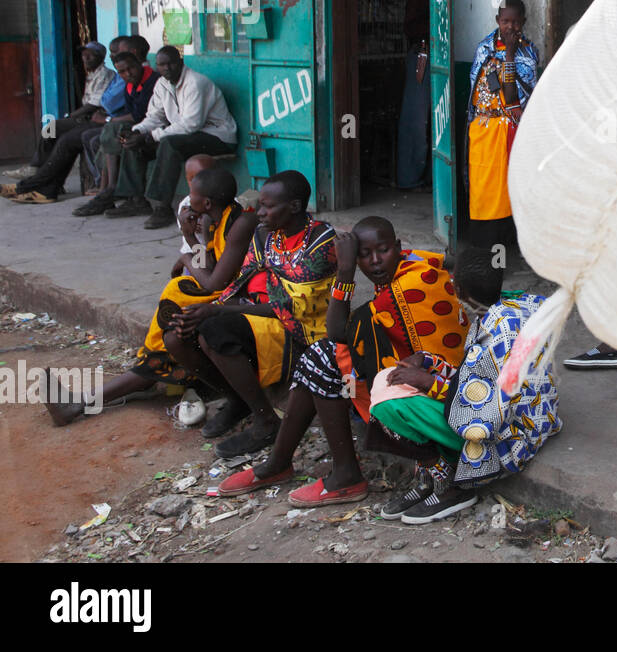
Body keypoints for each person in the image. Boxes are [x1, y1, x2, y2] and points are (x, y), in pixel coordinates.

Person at [216, 216, 469, 509]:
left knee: (328, 356)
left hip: (444, 394)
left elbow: (338, 331)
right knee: (323, 358)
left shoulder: (413, 282)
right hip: (407, 375)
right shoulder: (405, 270)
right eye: (363, 255)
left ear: (398, 247)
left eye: (383, 250)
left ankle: (331, 471)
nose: (374, 261)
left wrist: (346, 272)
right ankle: (287, 463)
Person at [42, 167, 257, 426]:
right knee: (173, 314)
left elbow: (213, 282)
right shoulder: (214, 220)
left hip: (238, 304)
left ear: (207, 202)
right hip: (221, 298)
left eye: (193, 194)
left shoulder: (240, 223)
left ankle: (79, 404)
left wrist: (185, 256)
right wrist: (191, 236)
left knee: (165, 345)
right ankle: (82, 403)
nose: (189, 200)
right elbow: (209, 266)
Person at [375, 246, 560, 524]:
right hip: (539, 418)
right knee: (391, 380)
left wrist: (428, 383)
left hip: (509, 439)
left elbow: (477, 413)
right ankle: (430, 477)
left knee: (388, 407)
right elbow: (476, 377)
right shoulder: (519, 307)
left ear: (457, 290)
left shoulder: (488, 336)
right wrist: (428, 362)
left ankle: (451, 485)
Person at [170, 171, 337, 457]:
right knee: (176, 337)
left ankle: (266, 420)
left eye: (267, 206)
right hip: (260, 314)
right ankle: (238, 400)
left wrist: (216, 311)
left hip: (301, 329)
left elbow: (292, 307)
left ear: (294, 207)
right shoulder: (264, 234)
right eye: (260, 205)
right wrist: (213, 308)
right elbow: (241, 280)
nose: (259, 212)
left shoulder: (321, 242)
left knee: (213, 331)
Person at [105, 45, 238, 229]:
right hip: (189, 135)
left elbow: (190, 124)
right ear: (156, 66)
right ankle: (135, 200)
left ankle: (162, 207)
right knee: (133, 142)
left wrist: (151, 136)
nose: (166, 68)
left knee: (169, 144)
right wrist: (138, 132)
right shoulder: (162, 84)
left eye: (171, 64)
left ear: (180, 63)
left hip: (218, 137)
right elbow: (155, 116)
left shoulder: (195, 83)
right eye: (161, 65)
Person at [3, 41, 117, 203]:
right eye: (84, 54)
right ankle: (40, 172)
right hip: (90, 117)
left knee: (57, 131)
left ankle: (36, 175)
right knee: (52, 132)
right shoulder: (92, 74)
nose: (85, 57)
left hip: (93, 118)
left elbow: (93, 105)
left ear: (101, 56)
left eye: (90, 54)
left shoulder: (105, 74)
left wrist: (70, 116)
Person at [465, 0, 538, 245]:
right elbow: (474, 90)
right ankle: (483, 252)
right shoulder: (483, 49)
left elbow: (515, 94)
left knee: (510, 191)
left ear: (524, 22)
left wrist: (509, 53)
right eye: (506, 21)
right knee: (484, 192)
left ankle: (505, 253)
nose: (511, 27)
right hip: (484, 131)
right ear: (497, 20)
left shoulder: (528, 51)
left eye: (516, 22)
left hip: (513, 131)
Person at [71, 49, 159, 216]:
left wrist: (108, 120)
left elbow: (139, 115)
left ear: (139, 64)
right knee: (106, 135)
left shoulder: (152, 81)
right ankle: (106, 192)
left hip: (156, 129)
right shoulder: (130, 85)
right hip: (141, 126)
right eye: (122, 72)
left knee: (116, 133)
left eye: (130, 68)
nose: (128, 74)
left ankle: (112, 191)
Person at [79, 36, 150, 196]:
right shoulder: (129, 79)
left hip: (140, 126)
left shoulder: (147, 79)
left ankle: (111, 189)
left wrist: (108, 119)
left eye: (117, 51)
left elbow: (112, 104)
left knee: (108, 134)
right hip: (129, 122)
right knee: (97, 134)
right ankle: (105, 188)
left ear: (133, 54)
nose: (113, 56)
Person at [396, 0, 431, 190]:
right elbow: (409, 28)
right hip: (422, 55)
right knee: (416, 121)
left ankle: (424, 176)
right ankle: (410, 178)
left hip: (430, 53)